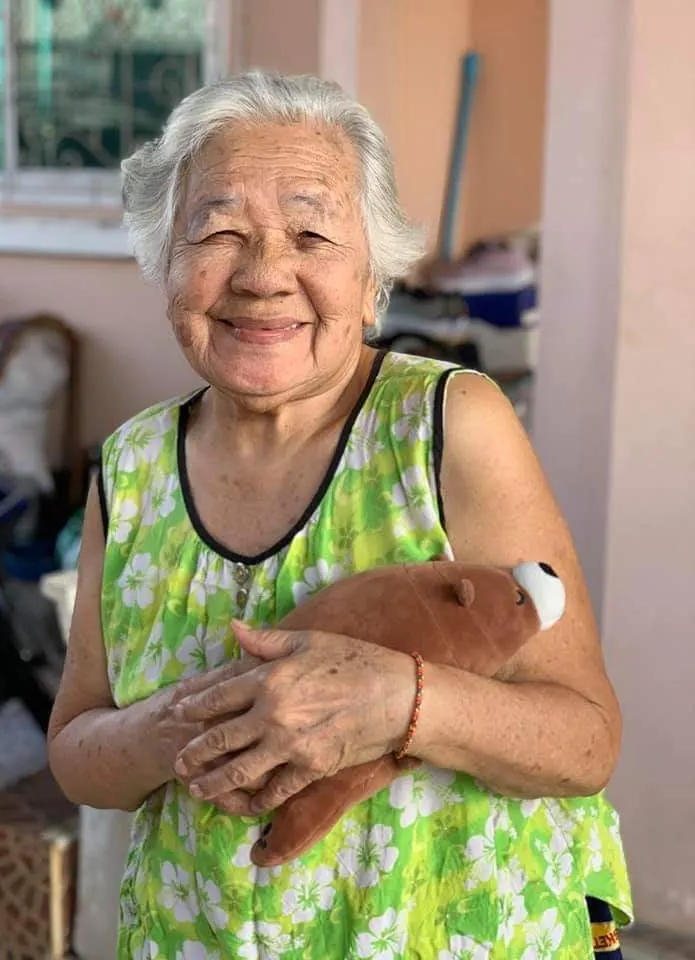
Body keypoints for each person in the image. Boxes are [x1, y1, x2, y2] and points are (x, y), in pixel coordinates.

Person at [48, 71, 631, 959]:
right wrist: (184, 724)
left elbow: (585, 743)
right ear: (164, 260)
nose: (262, 276)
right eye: (218, 232)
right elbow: (77, 753)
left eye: (312, 234)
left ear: (372, 279)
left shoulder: (446, 423)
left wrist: (399, 703)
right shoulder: (129, 467)